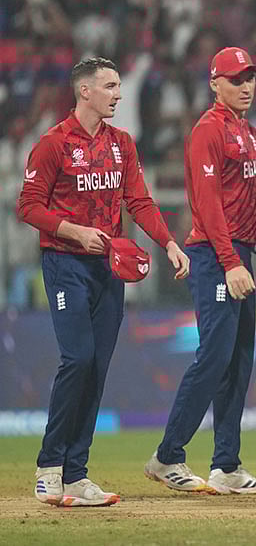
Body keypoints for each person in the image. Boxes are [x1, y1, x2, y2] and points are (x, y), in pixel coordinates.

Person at [17, 57, 190, 507]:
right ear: (85, 92)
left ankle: (76, 474)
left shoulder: (122, 144)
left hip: (107, 269)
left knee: (96, 368)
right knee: (77, 358)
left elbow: (140, 200)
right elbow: (28, 206)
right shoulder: (53, 144)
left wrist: (168, 242)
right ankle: (48, 468)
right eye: (111, 86)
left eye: (118, 85)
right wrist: (75, 232)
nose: (118, 93)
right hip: (64, 264)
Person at [145, 47, 256, 495]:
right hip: (217, 257)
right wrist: (230, 262)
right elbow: (206, 204)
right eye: (236, 79)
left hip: (238, 256)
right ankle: (167, 456)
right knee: (215, 357)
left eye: (250, 77)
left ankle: (226, 466)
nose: (246, 86)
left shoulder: (247, 132)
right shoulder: (207, 131)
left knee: (236, 362)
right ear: (215, 83)